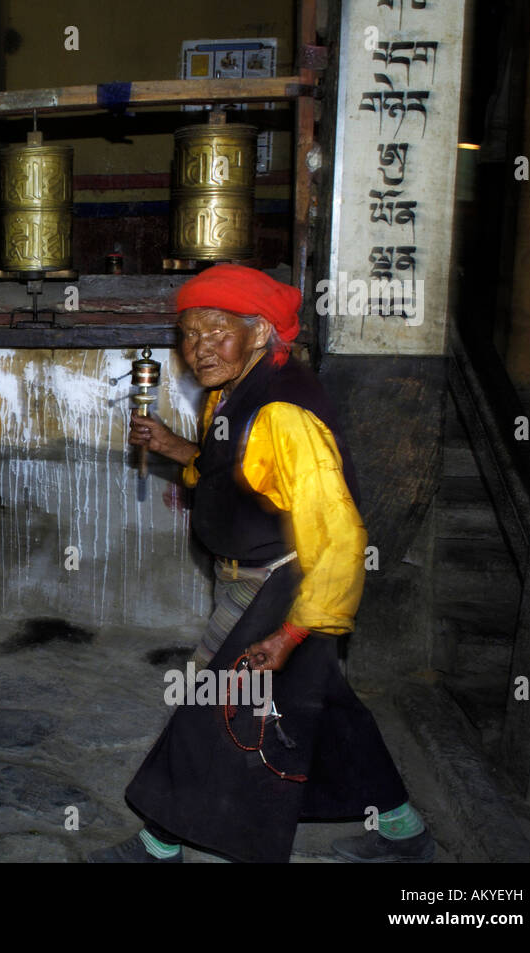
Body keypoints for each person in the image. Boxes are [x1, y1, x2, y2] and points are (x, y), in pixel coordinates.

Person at [89, 264, 434, 864]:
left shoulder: (282, 412)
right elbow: (233, 475)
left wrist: (294, 630)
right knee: (324, 705)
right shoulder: (234, 395)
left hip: (282, 584)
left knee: (211, 705)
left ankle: (159, 845)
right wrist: (174, 447)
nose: (199, 349)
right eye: (190, 335)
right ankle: (404, 829)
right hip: (251, 576)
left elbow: (338, 532)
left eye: (216, 332)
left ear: (259, 332)